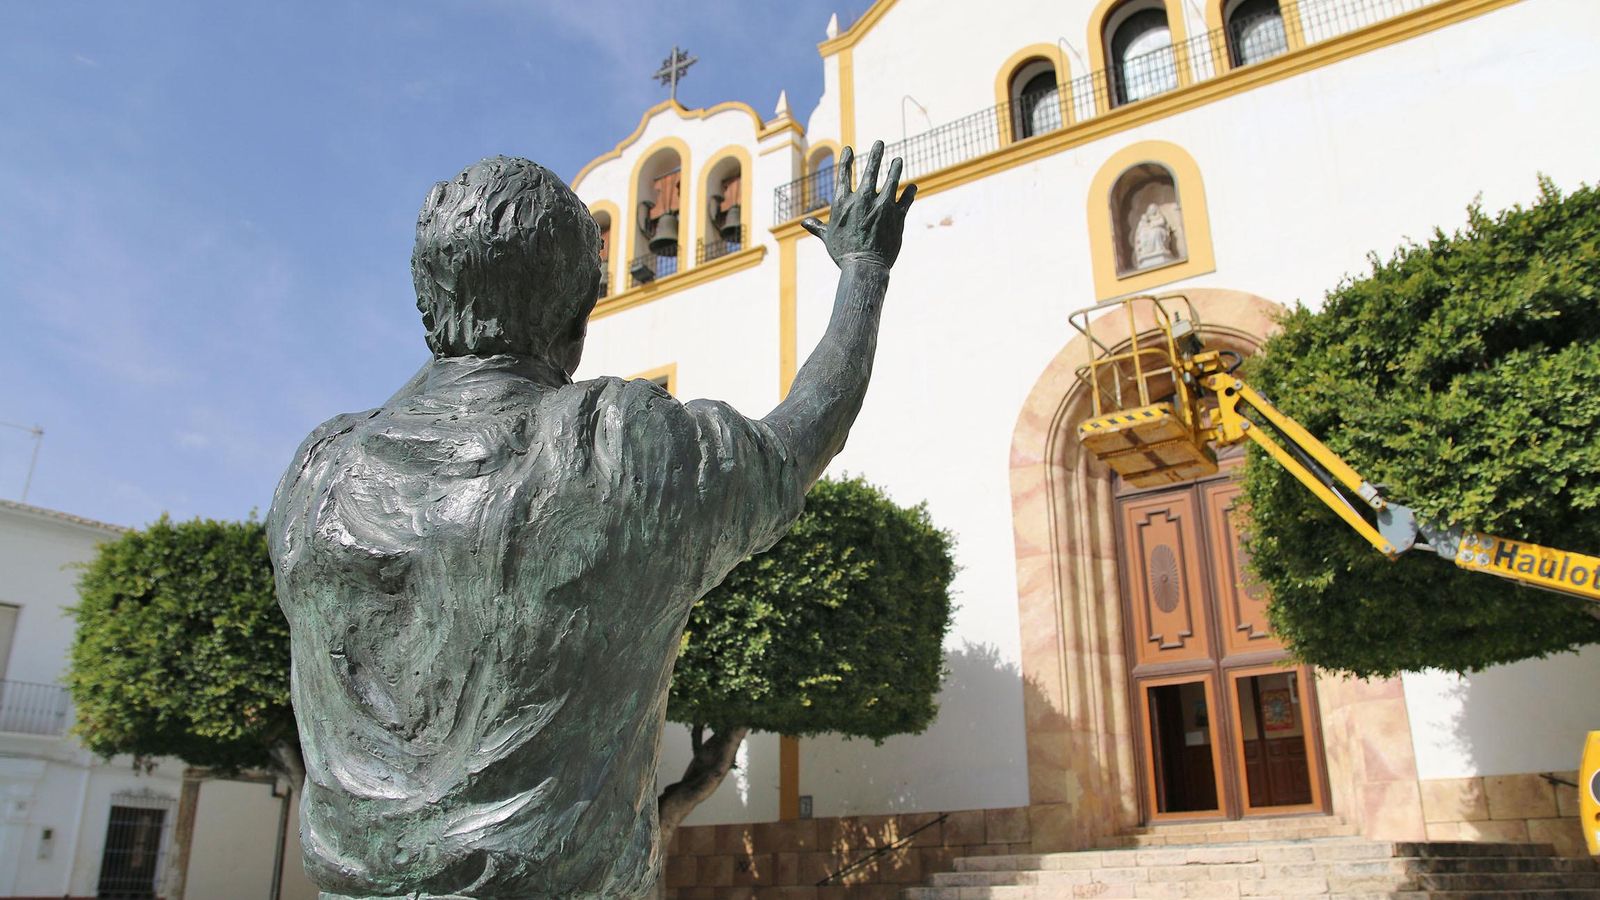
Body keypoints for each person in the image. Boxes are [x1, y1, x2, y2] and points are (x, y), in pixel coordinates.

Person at [266, 142, 915, 899]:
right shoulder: (617, 445)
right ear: (581, 309)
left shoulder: (318, 472)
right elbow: (804, 433)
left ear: (423, 299)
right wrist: (864, 272)